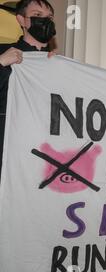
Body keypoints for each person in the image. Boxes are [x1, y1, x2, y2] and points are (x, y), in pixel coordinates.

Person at [0, 0, 56, 177]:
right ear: (22, 20)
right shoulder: (2, 52)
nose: (45, 21)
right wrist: (0, 63)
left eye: (49, 17)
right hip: (7, 151)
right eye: (37, 15)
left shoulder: (59, 64)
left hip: (45, 155)